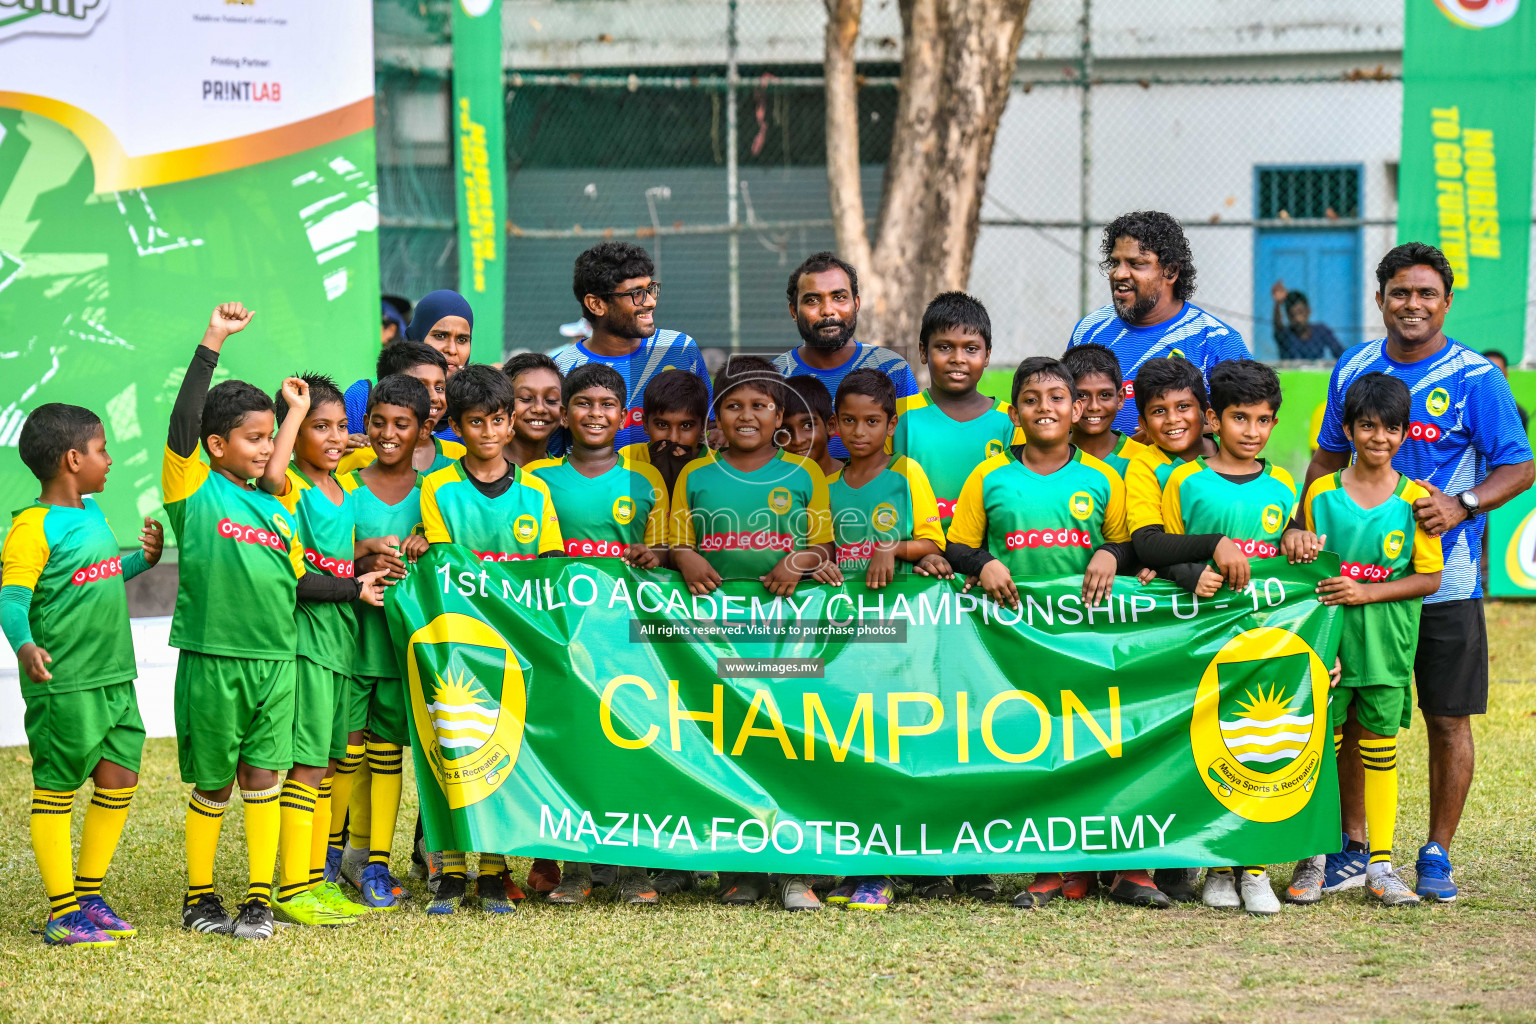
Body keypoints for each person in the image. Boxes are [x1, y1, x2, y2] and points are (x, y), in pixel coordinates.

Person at [1300, 242, 1534, 902]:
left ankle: (1436, 852)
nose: (1412, 304)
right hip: (1357, 589)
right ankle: (1352, 845)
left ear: (1446, 302)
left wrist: (1462, 504)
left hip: (1443, 582)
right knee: (1351, 717)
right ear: (1379, 300)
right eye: (1400, 292)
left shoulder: (1474, 378)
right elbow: (1324, 462)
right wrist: (1299, 524)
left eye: (1426, 294)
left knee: (1447, 717)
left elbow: (1520, 465)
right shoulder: (1354, 368)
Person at [163, 303, 383, 941]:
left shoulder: (282, 506)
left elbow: (299, 578)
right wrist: (213, 340)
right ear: (215, 447)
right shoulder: (193, 490)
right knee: (216, 783)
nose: (266, 451)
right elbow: (182, 422)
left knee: (264, 776)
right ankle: (199, 898)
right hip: (214, 658)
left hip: (277, 660)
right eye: (252, 440)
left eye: (269, 439)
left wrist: (290, 414)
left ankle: (260, 899)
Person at [942, 357, 1159, 911]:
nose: (1046, 409)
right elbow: (958, 545)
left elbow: (1132, 544)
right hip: (1018, 641)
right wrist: (982, 564)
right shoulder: (989, 477)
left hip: (1091, 640)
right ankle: (1049, 869)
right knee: (1041, 748)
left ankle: (1126, 869)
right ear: (1014, 413)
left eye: (1058, 398)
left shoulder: (1103, 477)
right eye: (1032, 400)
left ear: (1077, 408)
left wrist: (1112, 552)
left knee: (1106, 745)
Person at [669, 354, 834, 911]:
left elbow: (825, 545)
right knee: (728, 743)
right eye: (734, 405)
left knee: (784, 740)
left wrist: (799, 561)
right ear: (716, 413)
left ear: (781, 413)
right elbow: (675, 540)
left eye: (760, 406)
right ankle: (739, 870)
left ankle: (792, 871)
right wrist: (687, 558)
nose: (746, 416)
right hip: (715, 634)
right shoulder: (696, 474)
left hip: (785, 634)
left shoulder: (805, 472)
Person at [3, 404, 163, 947]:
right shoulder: (31, 528)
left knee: (120, 777)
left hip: (115, 677)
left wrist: (142, 561)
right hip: (64, 684)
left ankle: (89, 896)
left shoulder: (91, 513)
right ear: (73, 459)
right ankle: (61, 912)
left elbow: (98, 573)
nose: (109, 459)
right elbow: (11, 597)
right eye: (101, 450)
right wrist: (24, 644)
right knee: (57, 789)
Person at [1283, 372, 1442, 907]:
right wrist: (1292, 535)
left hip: (1385, 646)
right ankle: (1316, 857)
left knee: (1379, 749)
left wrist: (1365, 594)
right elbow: (1293, 549)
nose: (1379, 437)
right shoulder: (1320, 493)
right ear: (1348, 429)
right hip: (1325, 646)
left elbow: (1429, 578)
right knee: (1321, 750)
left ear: (1405, 433)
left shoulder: (1417, 500)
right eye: (1368, 426)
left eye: (1391, 428)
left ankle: (1381, 865)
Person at [1153, 359, 1301, 915]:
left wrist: (1297, 537)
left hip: (1268, 643)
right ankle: (1217, 861)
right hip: (1206, 639)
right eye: (1241, 418)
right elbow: (1165, 555)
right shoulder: (1184, 482)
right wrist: (1192, 573)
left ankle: (1255, 867)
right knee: (1213, 744)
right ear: (1214, 419)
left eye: (1265, 420)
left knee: (1262, 744)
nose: (1253, 431)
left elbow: (1291, 551)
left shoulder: (1284, 484)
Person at [420, 364, 563, 913]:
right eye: (474, 422)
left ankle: (495, 870)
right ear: (456, 426)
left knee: (505, 755)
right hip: (455, 644)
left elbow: (548, 573)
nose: (488, 432)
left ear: (510, 424)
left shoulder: (534, 491)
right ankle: (453, 871)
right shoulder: (437, 488)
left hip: (514, 648)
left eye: (497, 420)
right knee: (455, 751)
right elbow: (442, 566)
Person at [527, 363, 669, 908]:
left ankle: (636, 868)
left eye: (607, 405)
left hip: (632, 635)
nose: (595, 414)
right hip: (567, 635)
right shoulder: (539, 479)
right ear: (564, 413)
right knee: (579, 747)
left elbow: (661, 555)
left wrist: (652, 556)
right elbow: (535, 561)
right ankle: (578, 866)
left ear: (623, 414)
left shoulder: (645, 480)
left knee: (636, 742)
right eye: (582, 404)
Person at [260, 374, 389, 927]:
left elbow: (336, 554)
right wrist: (293, 411)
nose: (335, 437)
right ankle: (293, 889)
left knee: (330, 766)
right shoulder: (292, 485)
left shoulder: (343, 490)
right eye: (321, 427)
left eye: (342, 426)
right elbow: (270, 475)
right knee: (307, 768)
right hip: (307, 641)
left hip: (343, 639)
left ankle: (314, 880)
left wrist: (367, 554)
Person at [335, 375, 434, 910]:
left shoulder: (434, 496)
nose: (389, 433)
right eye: (379, 422)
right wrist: (363, 558)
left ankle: (377, 861)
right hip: (351, 644)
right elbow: (325, 557)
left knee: (386, 754)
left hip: (401, 650)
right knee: (344, 755)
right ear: (365, 424)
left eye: (402, 424)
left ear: (424, 431)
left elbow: (449, 564)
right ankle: (331, 860)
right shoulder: (345, 490)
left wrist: (428, 546)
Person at [1068, 211, 1248, 434]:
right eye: (1115, 262)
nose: (1120, 274)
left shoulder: (1216, 341)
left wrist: (1171, 432)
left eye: (1136, 263)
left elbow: (1247, 420)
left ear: (1170, 271)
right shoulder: (1089, 330)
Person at [551, 241, 711, 455]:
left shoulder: (680, 348)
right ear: (596, 305)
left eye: (651, 289)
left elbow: (711, 425)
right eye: (636, 293)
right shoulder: (561, 368)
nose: (651, 301)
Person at [772, 251, 920, 460]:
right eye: (813, 300)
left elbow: (912, 446)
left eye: (839, 297)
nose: (828, 310)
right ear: (793, 311)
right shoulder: (772, 378)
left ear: (856, 304)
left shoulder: (893, 368)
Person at [893, 292, 1020, 531]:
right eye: (944, 347)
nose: (958, 359)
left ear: (987, 356)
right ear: (923, 351)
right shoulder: (897, 417)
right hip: (915, 557)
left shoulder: (1011, 422)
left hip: (985, 560)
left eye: (971, 349)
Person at [344, 289, 471, 442]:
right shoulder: (363, 395)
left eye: (462, 339)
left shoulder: (473, 405)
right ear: (416, 336)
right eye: (440, 336)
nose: (452, 349)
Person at [341, 342, 461, 472]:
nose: (434, 397)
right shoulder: (357, 458)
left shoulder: (459, 455)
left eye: (439, 388)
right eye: (420, 386)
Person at [1062, 342, 1149, 479]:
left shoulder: (1146, 461)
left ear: (1120, 398)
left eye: (1104, 395)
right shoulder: (1051, 457)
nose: (1094, 406)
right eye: (1081, 396)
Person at [626, 369, 710, 498]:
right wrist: (654, 474)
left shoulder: (717, 467)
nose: (674, 438)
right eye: (662, 425)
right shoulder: (628, 459)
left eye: (686, 426)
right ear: (645, 425)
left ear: (703, 427)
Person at [504, 352, 565, 469]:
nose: (539, 408)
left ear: (564, 414)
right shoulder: (477, 467)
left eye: (551, 400)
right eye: (526, 398)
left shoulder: (564, 474)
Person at [782, 374, 841, 480]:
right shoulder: (774, 484)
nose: (798, 441)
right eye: (786, 430)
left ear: (830, 425)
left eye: (808, 425)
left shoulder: (854, 481)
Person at [1271, 281, 1344, 361]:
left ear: (1308, 311)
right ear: (1288, 316)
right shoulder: (1286, 336)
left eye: (1301, 313)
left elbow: (1339, 352)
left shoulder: (1321, 331)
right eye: (1293, 315)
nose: (1298, 319)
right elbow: (1278, 326)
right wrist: (1278, 303)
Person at [1481, 349, 1529, 429]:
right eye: (1487, 373)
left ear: (1506, 375)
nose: (1493, 379)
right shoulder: (1460, 409)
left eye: (1499, 374)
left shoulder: (1516, 412)